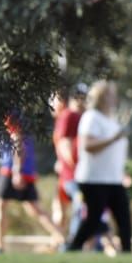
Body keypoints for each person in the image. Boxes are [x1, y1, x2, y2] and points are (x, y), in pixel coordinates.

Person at [66, 81, 132, 255]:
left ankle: (127, 253)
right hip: (94, 179)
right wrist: (113, 139)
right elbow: (87, 145)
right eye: (110, 95)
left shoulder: (111, 120)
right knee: (93, 219)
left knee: (124, 219)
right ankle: (72, 248)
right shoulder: (91, 117)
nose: (114, 98)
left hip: (113, 179)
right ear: (101, 98)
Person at [0, 109, 65, 255]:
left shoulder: (9, 113)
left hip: (11, 170)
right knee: (35, 209)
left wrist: (17, 170)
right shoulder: (20, 113)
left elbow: (17, 140)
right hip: (25, 170)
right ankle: (63, 240)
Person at [49, 88, 83, 232]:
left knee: (79, 205)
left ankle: (74, 242)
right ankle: (59, 240)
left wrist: (72, 165)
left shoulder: (66, 116)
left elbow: (65, 144)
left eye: (52, 101)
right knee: (59, 206)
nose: (50, 105)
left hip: (72, 173)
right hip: (66, 172)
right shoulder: (66, 117)